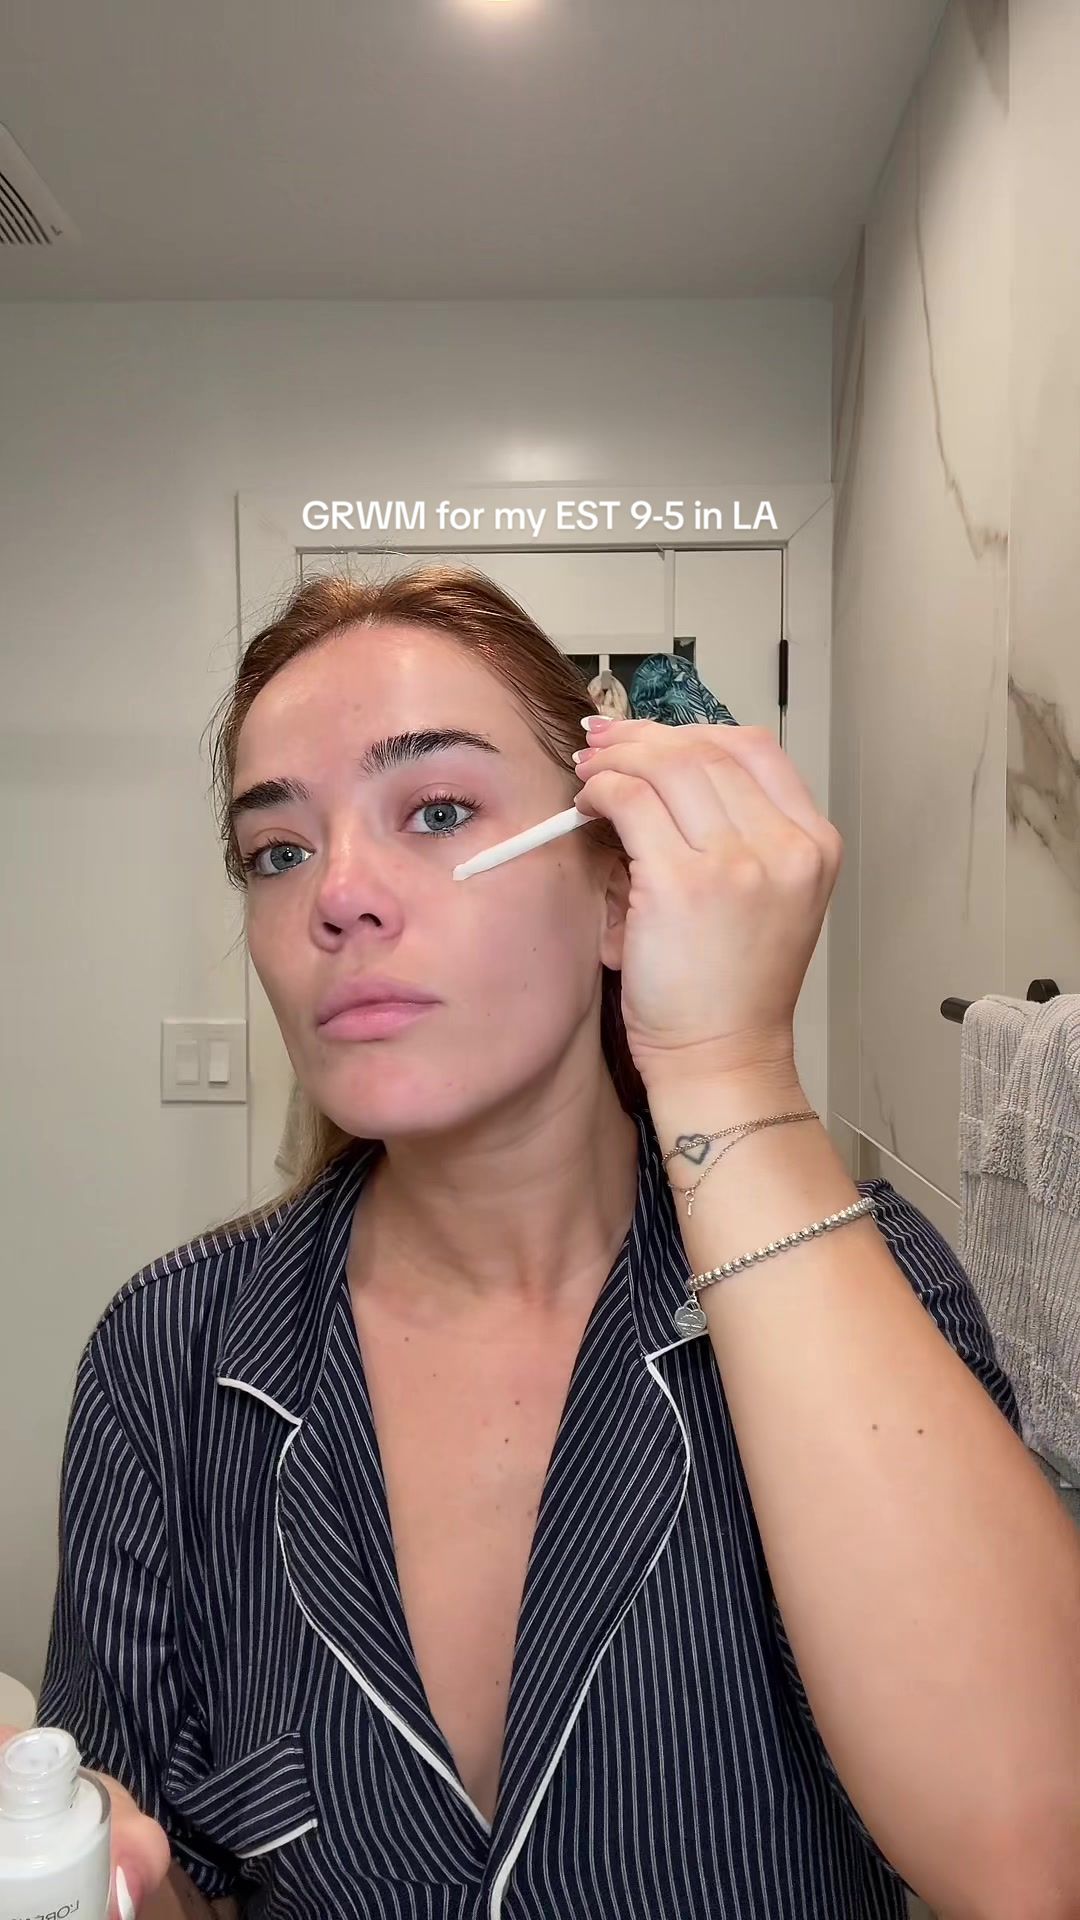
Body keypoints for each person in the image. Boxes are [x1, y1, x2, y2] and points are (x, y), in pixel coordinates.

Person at [25, 567, 1080, 1920]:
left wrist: (726, 1061)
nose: (336, 894)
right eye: (276, 851)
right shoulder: (167, 1353)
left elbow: (1037, 1863)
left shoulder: (862, 1287)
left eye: (438, 811)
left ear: (614, 890)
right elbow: (150, 1870)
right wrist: (108, 1877)